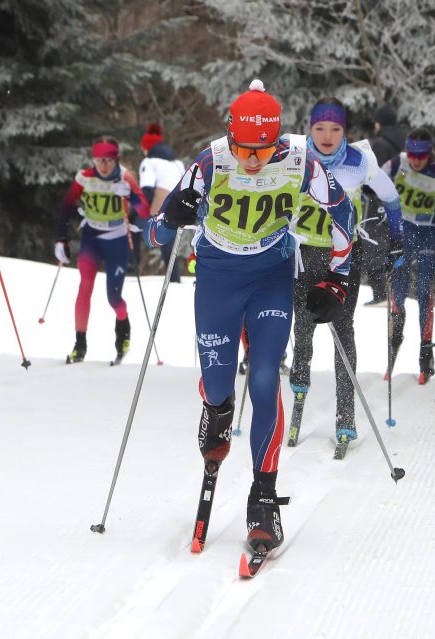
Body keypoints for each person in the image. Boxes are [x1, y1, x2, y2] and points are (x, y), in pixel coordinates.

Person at [147, 80, 356, 553]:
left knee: (264, 377)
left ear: (278, 138)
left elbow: (343, 216)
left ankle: (264, 500)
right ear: (230, 135)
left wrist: (338, 280)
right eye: (244, 149)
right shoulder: (210, 161)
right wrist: (170, 217)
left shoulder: (301, 162)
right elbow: (153, 235)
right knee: (219, 385)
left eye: (263, 150)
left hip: (270, 275)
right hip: (218, 276)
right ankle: (216, 408)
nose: (254, 161)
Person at [288, 97, 403, 445]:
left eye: (335, 128)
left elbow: (391, 195)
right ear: (309, 128)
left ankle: (346, 412)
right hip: (302, 255)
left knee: (343, 331)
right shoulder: (294, 157)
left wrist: (396, 237)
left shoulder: (357, 161)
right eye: (319, 128)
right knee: (303, 329)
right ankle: (298, 394)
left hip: (343, 259)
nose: (327, 135)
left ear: (345, 131)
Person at [382, 130, 435, 384]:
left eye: (421, 155)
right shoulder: (398, 163)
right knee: (397, 294)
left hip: (428, 234)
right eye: (413, 155)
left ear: (429, 153)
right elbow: (373, 180)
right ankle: (393, 346)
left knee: (423, 292)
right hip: (400, 234)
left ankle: (426, 354)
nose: (416, 160)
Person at [55, 136, 149, 363]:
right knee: (85, 286)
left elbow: (145, 210)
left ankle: (123, 329)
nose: (103, 166)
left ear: (116, 159)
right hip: (91, 239)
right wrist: (62, 239)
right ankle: (80, 344)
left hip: (116, 241)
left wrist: (128, 195)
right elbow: (66, 206)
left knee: (113, 297)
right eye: (98, 161)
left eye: (108, 161)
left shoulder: (125, 178)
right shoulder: (84, 178)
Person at [363, 103, 410, 305]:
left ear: (379, 123)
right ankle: (396, 291)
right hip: (405, 201)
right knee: (396, 243)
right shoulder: (408, 142)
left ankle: (381, 292)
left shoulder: (380, 144)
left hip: (381, 201)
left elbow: (375, 175)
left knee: (374, 242)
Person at [139, 123, 185, 283]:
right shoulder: (177, 163)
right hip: (178, 208)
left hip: (158, 207)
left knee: (133, 228)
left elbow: (146, 188)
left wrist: (145, 211)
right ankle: (174, 278)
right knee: (169, 244)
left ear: (147, 148)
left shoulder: (148, 162)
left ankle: (131, 270)